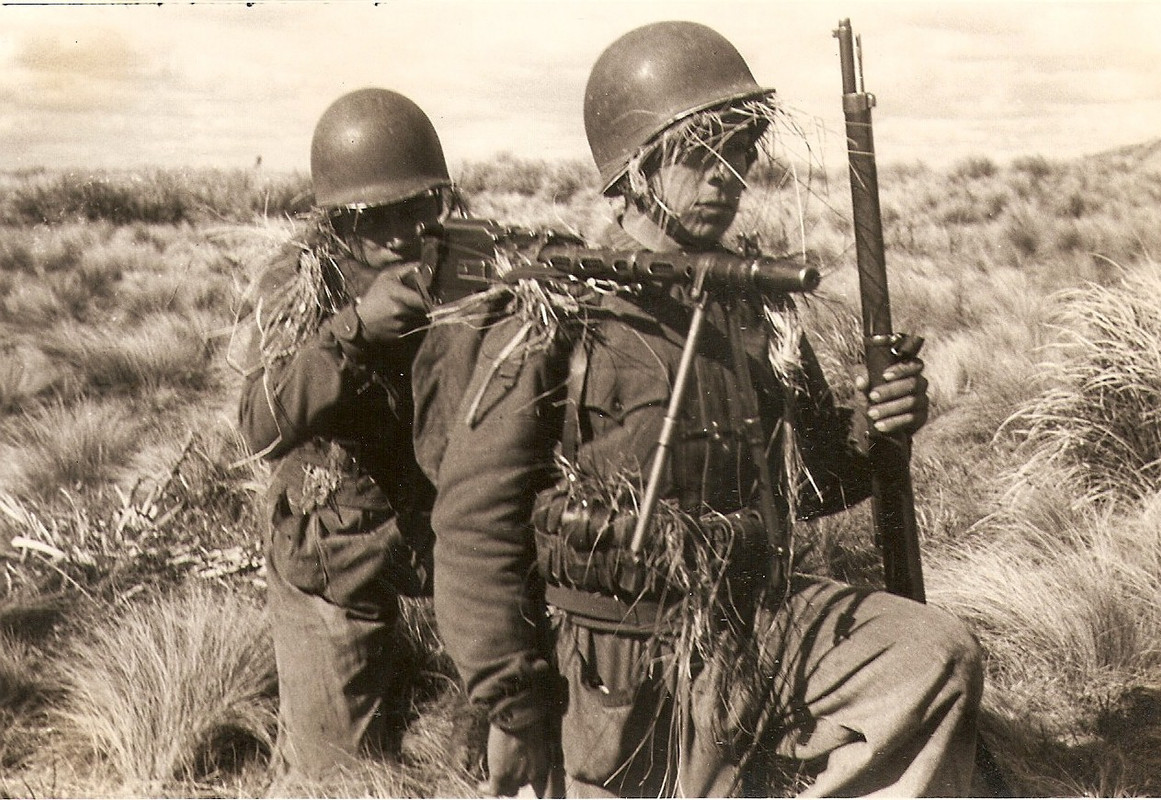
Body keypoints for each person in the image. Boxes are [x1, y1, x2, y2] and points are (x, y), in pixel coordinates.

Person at [420, 21, 985, 797]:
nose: (730, 176)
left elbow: (816, 484)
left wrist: (878, 427)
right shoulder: (556, 310)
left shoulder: (754, 305)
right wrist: (511, 707)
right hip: (614, 660)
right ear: (635, 167)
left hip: (755, 622)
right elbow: (474, 524)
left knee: (933, 658)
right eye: (701, 152)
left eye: (743, 150)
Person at [235, 87, 452, 781]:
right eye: (374, 217)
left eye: (418, 207)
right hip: (331, 545)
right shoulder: (300, 279)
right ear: (335, 221)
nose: (401, 233)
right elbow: (258, 423)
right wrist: (353, 333)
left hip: (442, 528)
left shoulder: (458, 263)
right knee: (339, 778)